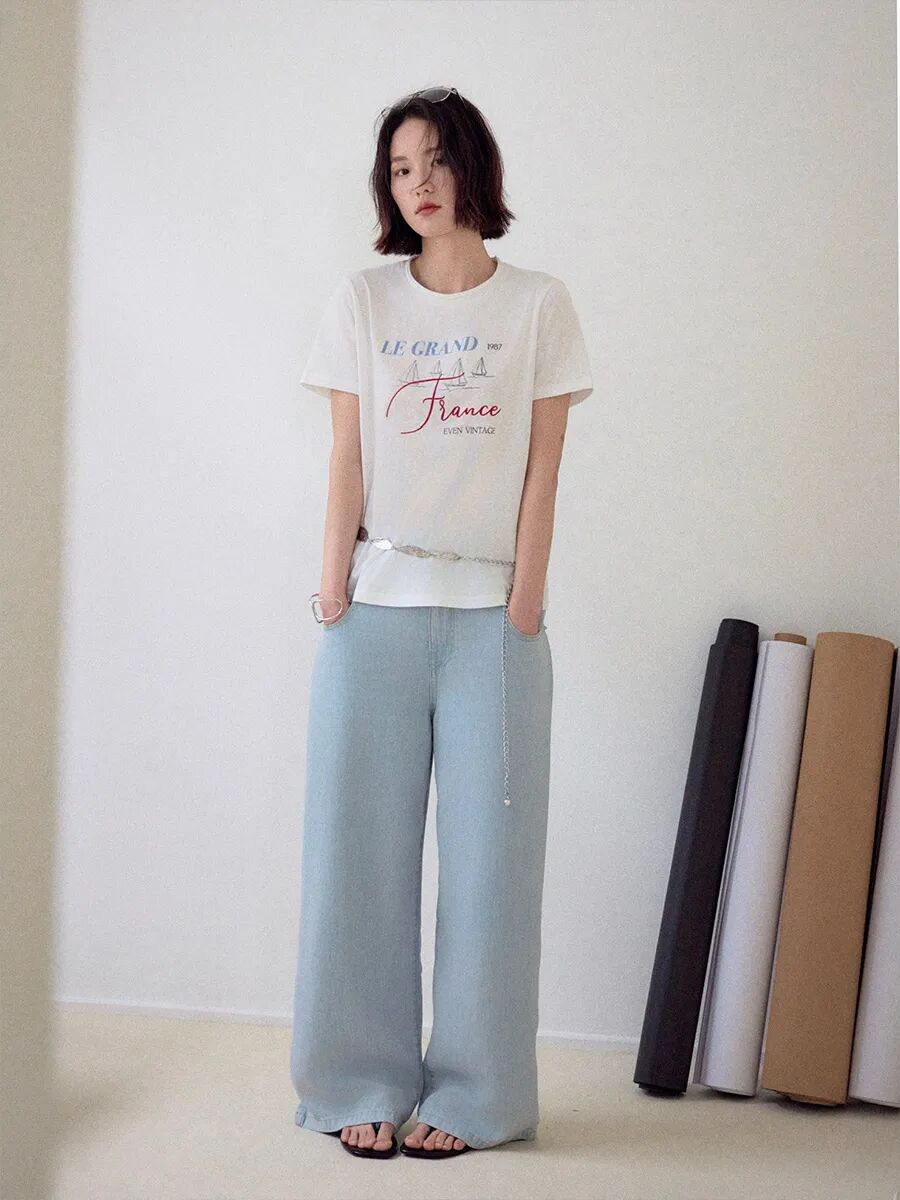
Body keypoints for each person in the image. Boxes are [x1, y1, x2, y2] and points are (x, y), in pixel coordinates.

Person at [289, 85, 593, 1160]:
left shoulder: (538, 305)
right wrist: (331, 588)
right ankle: (356, 1080)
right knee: (355, 862)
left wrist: (526, 603)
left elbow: (545, 466)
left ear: (474, 167)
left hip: (493, 627)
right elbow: (347, 456)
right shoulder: (364, 301)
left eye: (435, 161)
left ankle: (474, 1094)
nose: (417, 184)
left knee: (492, 873)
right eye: (399, 168)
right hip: (372, 614)